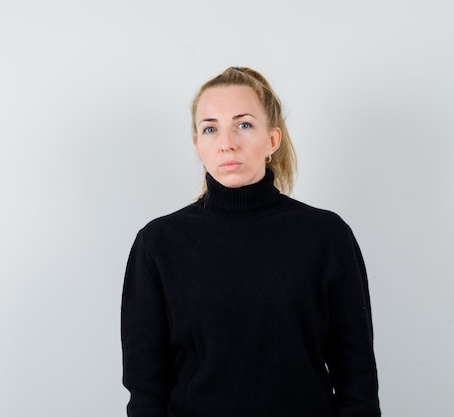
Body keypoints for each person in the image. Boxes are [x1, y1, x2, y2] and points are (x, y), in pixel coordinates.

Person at [121, 67, 381, 417]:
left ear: (272, 140)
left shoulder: (327, 236)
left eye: (243, 124)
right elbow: (145, 389)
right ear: (198, 144)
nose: (226, 142)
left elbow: (358, 381)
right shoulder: (159, 244)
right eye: (210, 128)